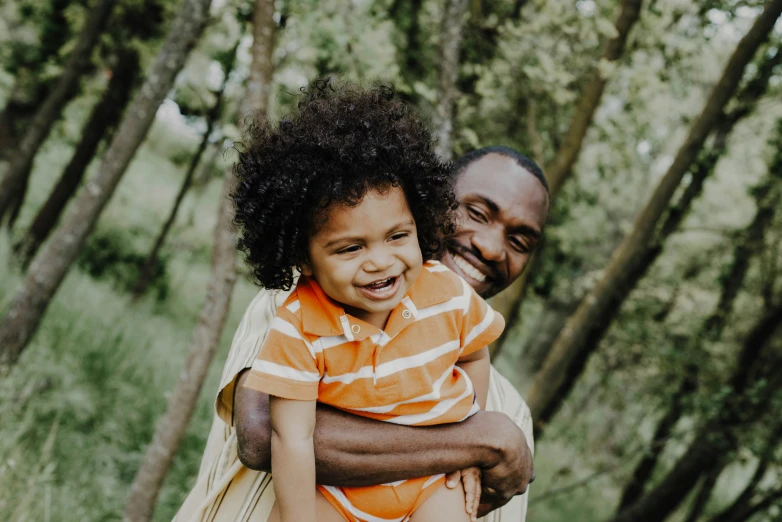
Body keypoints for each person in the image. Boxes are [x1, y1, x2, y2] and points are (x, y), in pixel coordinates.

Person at [172, 94, 549, 522]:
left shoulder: (512, 412)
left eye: (520, 241)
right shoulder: (295, 305)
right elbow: (261, 433)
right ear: (437, 201)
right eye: (476, 212)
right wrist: (478, 440)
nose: (490, 246)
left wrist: (482, 429)